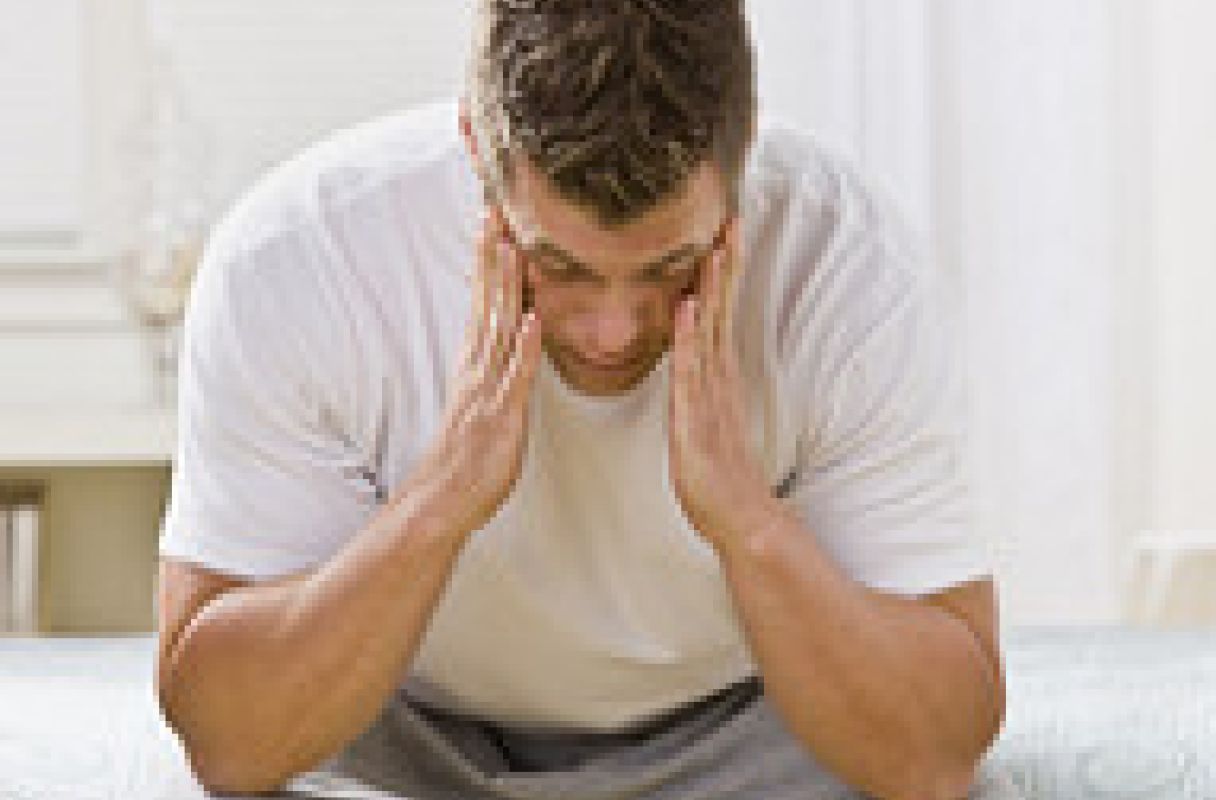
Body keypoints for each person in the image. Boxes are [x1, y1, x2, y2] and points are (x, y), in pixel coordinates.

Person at [153, 1, 1006, 798]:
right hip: (403, 732)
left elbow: (938, 753)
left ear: (743, 154)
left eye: (671, 266)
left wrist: (749, 522)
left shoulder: (851, 267)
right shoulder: (298, 258)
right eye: (558, 265)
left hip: (749, 730)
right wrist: (439, 501)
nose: (611, 330)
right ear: (474, 147)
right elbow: (227, 740)